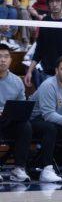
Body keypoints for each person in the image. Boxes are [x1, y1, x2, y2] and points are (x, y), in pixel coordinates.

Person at [0, 43, 31, 182]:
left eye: (6, 57)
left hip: (8, 121)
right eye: (0, 57)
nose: (3, 60)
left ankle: (19, 168)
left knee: (25, 126)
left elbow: (21, 106)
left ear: (11, 60)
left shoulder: (17, 82)